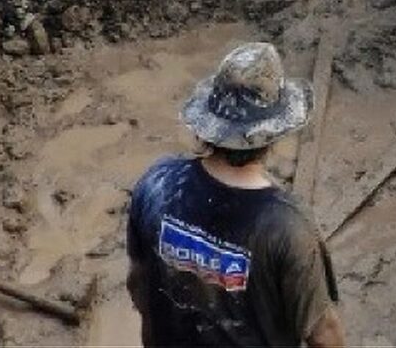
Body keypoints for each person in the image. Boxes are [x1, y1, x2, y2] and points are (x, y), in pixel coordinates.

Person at [126, 42, 345, 347]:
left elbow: (139, 286)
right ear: (274, 133)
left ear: (210, 124)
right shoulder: (288, 228)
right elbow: (324, 336)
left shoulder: (157, 183)